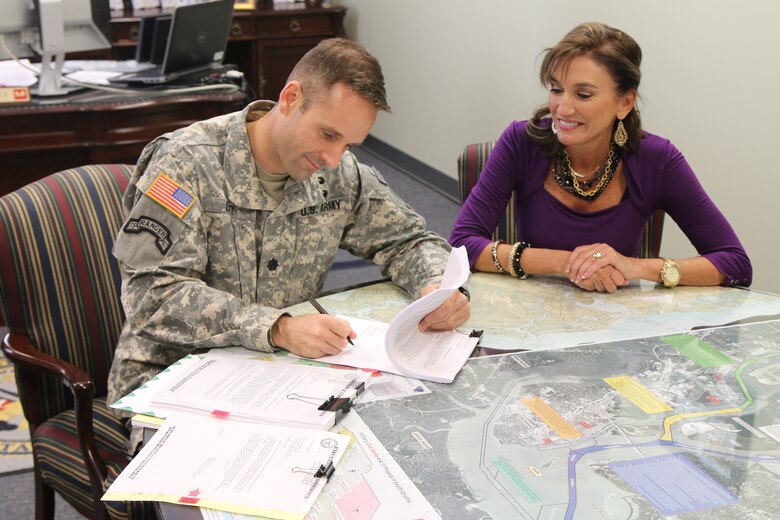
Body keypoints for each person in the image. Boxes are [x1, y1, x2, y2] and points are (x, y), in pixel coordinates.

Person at [107, 38, 470, 408]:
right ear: (290, 98)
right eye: (328, 134)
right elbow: (151, 295)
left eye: (348, 145)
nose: (332, 158)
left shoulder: (338, 175)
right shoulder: (184, 163)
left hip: (279, 376)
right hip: (172, 380)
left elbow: (409, 240)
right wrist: (277, 328)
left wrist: (436, 288)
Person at [449, 22, 751, 293]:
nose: (563, 108)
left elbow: (735, 263)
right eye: (556, 89)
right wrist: (568, 263)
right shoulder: (520, 143)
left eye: (583, 95)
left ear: (625, 102)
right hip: (530, 319)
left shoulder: (658, 160)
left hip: (617, 325)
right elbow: (461, 243)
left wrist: (635, 266)